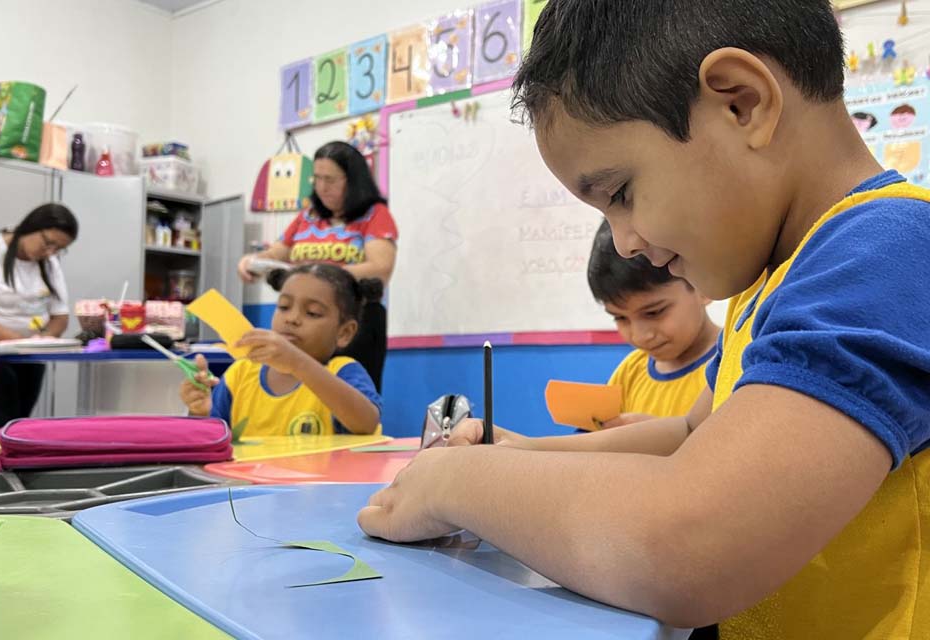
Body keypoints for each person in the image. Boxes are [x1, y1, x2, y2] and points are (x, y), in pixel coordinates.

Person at [357, 1, 930, 637]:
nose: (624, 243)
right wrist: (528, 453)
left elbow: (692, 549)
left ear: (741, 103)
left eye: (621, 194)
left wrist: (457, 484)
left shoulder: (889, 250)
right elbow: (691, 434)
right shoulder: (772, 275)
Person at [238, 141, 397, 392]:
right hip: (305, 320)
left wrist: (321, 276)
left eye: (331, 180)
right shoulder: (308, 216)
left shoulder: (374, 214)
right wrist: (251, 263)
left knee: (349, 394)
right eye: (317, 179)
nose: (322, 187)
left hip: (355, 321)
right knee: (299, 391)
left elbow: (380, 267)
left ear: (353, 180)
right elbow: (277, 254)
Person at [181, 264, 382, 437]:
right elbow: (214, 440)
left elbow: (366, 423)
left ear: (345, 332)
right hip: (247, 481)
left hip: (318, 483)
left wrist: (298, 363)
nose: (292, 318)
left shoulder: (342, 371)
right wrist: (199, 413)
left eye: (312, 313)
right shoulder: (240, 375)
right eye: (284, 307)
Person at [588, 220, 718, 428]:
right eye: (620, 318)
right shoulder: (629, 372)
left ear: (702, 287)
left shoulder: (737, 363)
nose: (640, 336)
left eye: (654, 312)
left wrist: (659, 438)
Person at [0, 203, 78, 435]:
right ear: (31, 227)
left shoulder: (49, 263)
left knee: (18, 428)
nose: (50, 252)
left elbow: (60, 316)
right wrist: (19, 342)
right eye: (48, 243)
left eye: (59, 249)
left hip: (28, 357)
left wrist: (44, 339)